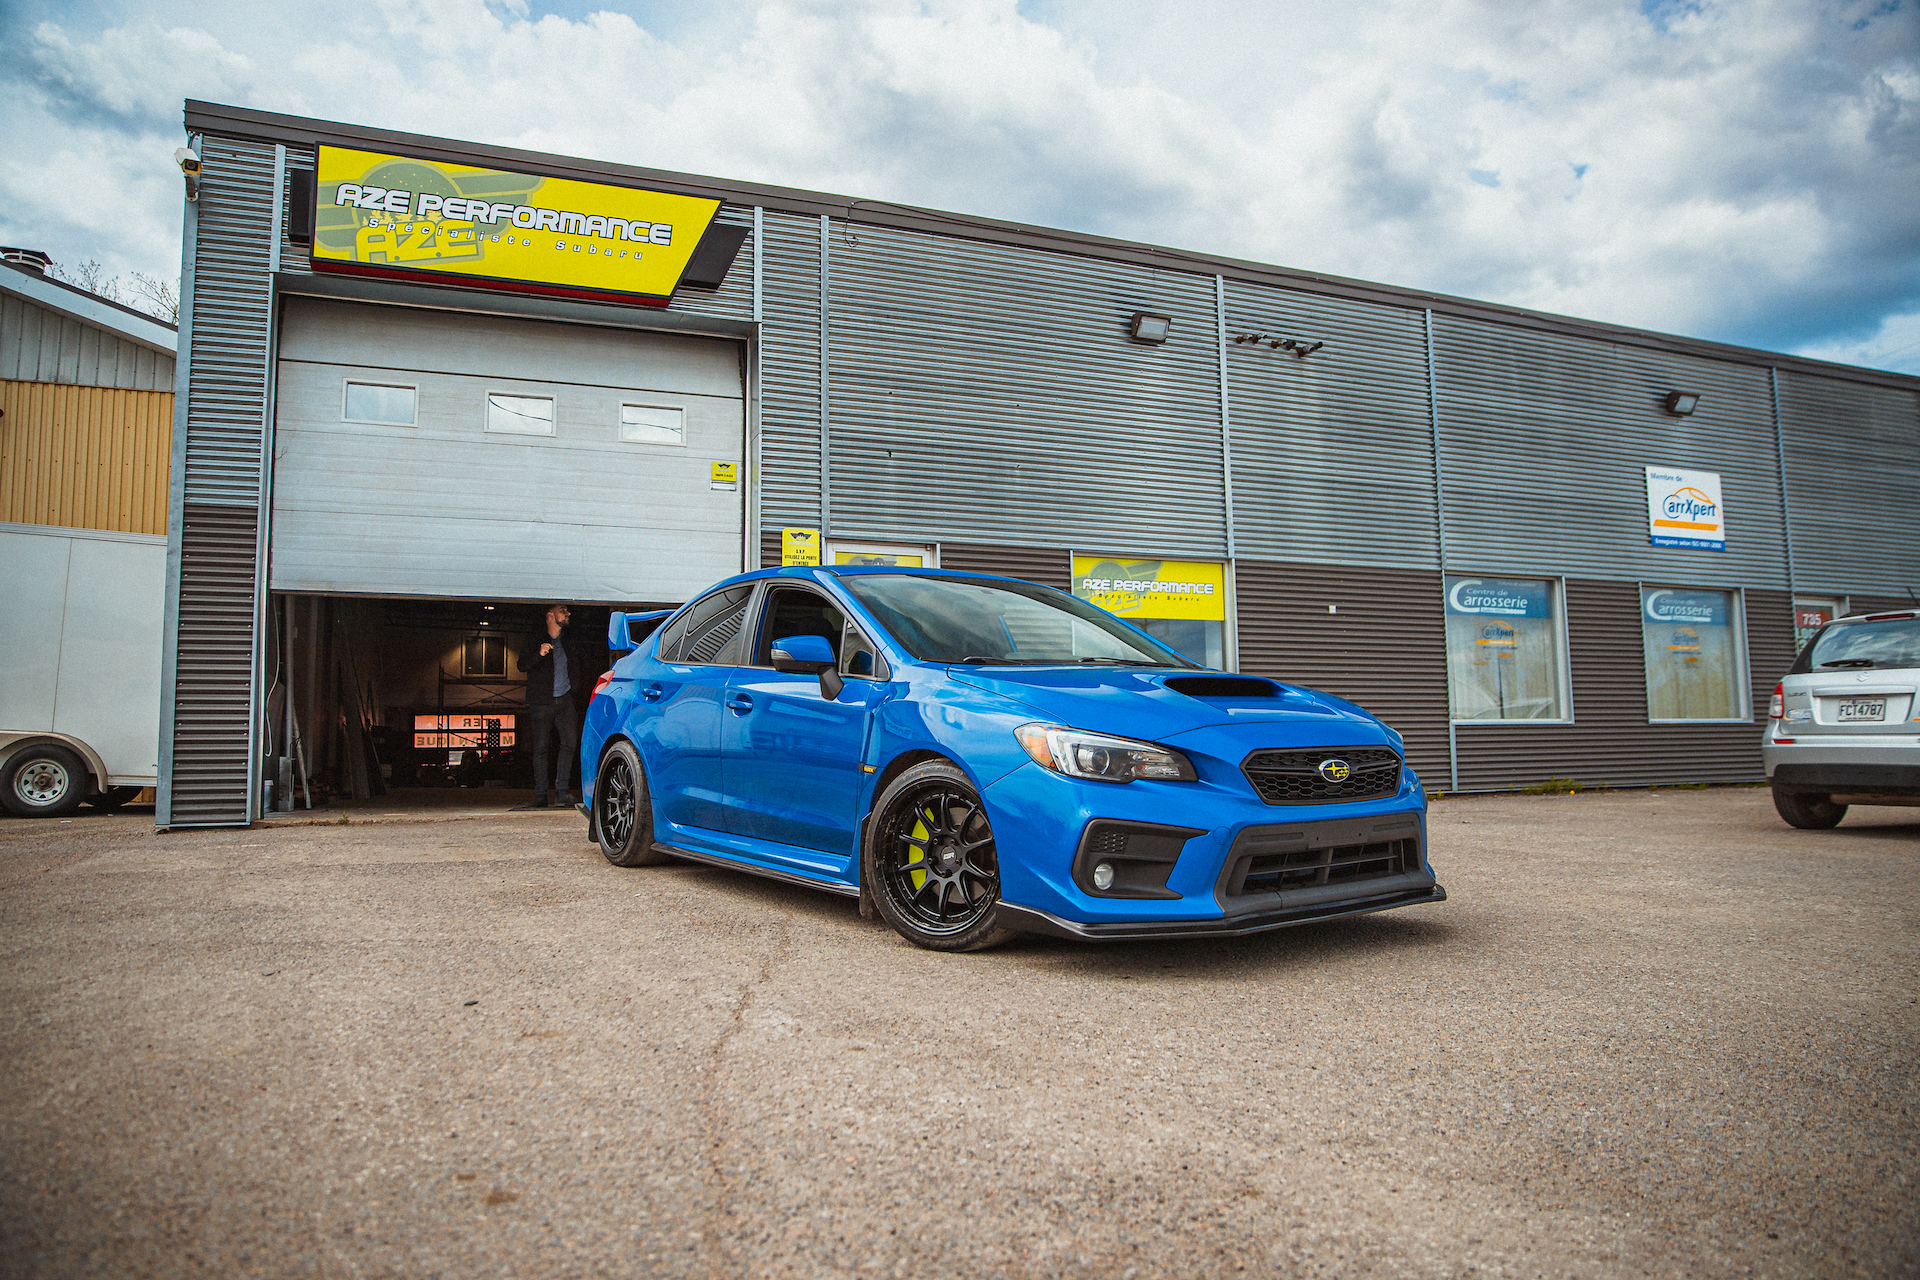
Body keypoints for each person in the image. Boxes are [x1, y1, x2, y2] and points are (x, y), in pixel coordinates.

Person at [515, 602, 580, 809]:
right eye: (563, 611)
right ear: (551, 615)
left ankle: (562, 793)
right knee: (541, 748)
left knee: (569, 743)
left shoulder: (569, 641)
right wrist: (539, 654)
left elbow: (578, 666)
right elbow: (521, 665)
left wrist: (573, 690)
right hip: (541, 702)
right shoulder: (536, 638)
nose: (567, 613)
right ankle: (541, 795)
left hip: (565, 700)